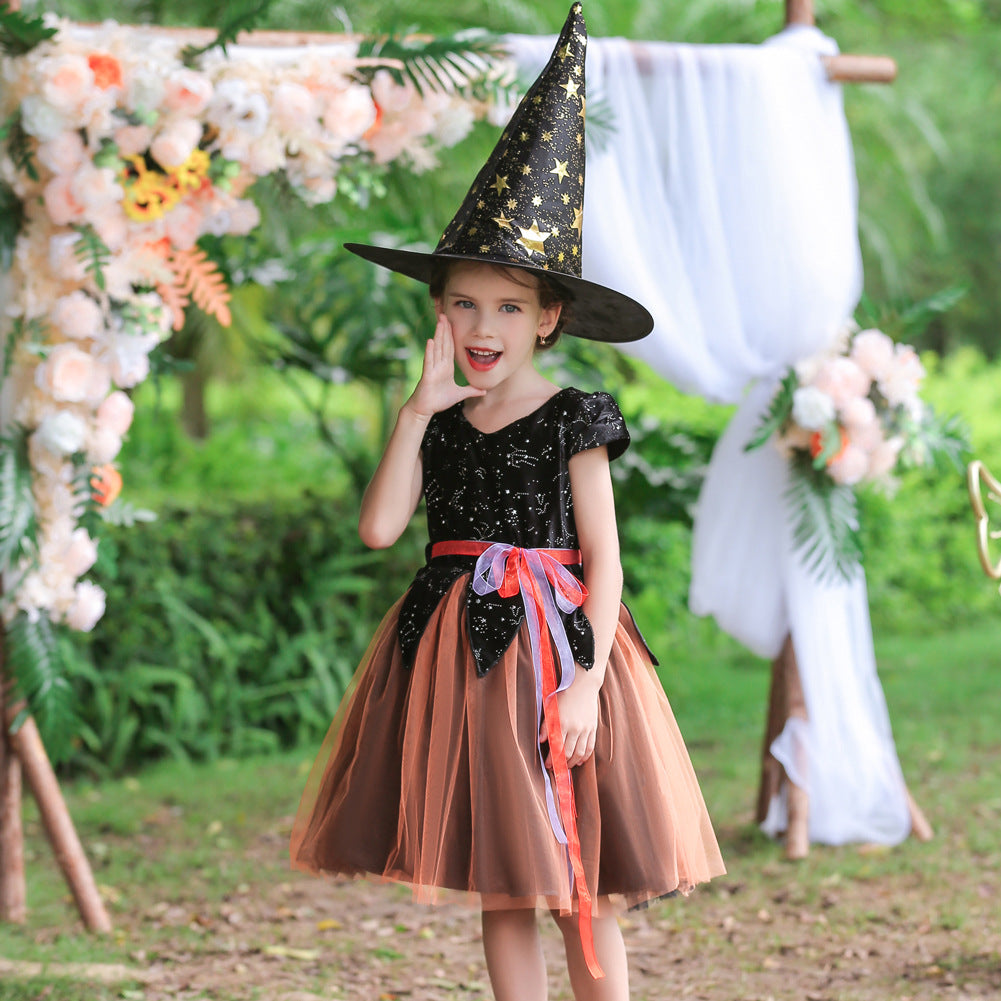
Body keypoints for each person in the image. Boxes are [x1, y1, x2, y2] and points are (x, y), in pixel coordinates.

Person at [290, 6, 725, 999]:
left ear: (548, 317)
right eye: (463, 302)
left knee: (582, 884)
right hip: (463, 665)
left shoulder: (574, 415)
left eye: (508, 306)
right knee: (503, 876)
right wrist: (415, 411)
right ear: (439, 309)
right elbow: (379, 529)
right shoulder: (437, 420)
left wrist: (584, 684)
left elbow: (603, 560)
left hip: (561, 650)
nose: (482, 325)